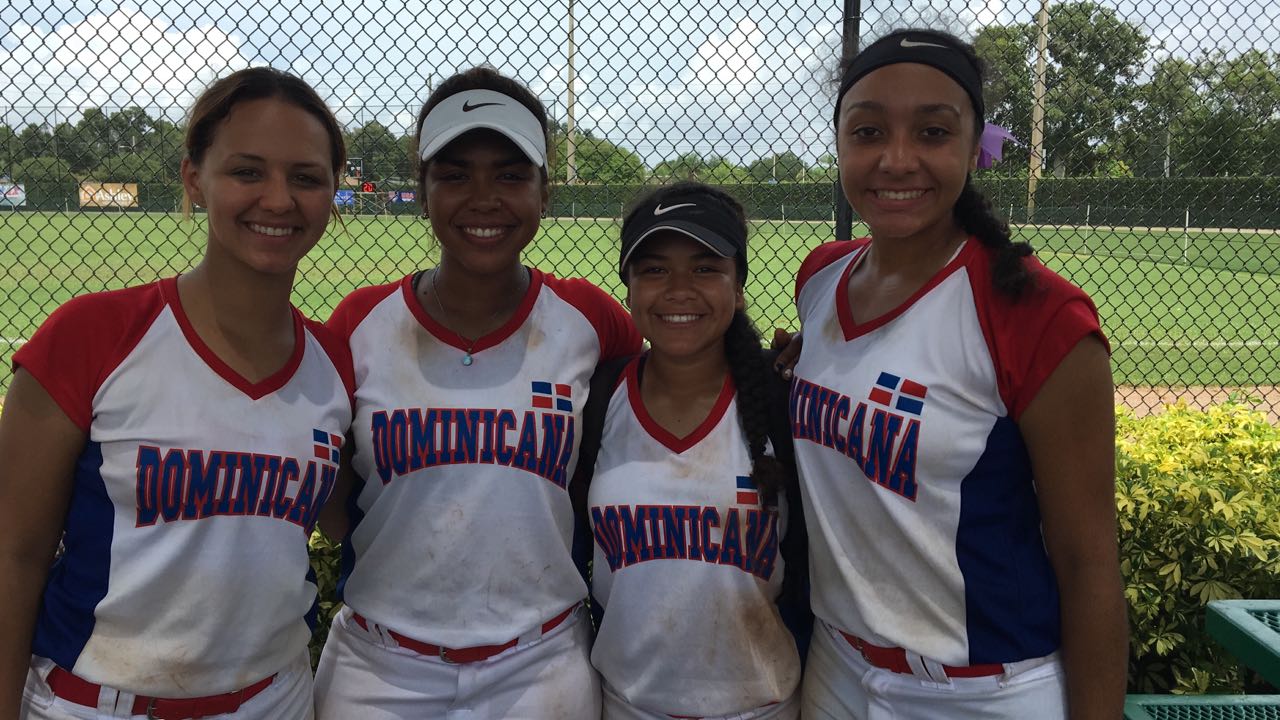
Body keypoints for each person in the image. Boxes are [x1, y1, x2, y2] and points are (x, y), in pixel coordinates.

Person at [791, 29, 1127, 720]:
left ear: (975, 146)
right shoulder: (821, 278)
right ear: (840, 142)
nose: (896, 158)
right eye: (868, 130)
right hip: (835, 669)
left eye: (933, 131)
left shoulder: (1038, 313)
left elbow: (1088, 562)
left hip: (981, 691)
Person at [0, 67, 353, 720]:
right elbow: (13, 554)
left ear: (334, 191)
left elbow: (351, 520)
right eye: (247, 171)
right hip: (96, 701)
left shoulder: (334, 362)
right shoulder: (92, 335)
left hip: (275, 699)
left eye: (306, 177)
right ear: (195, 178)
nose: (278, 199)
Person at [313, 67, 641, 719]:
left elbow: (665, 398)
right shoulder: (359, 324)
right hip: (380, 669)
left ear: (545, 192)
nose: (483, 197)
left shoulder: (591, 321)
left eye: (511, 175)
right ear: (423, 190)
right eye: (455, 174)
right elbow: (330, 497)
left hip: (540, 663)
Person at [580, 182, 805, 719]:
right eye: (654, 269)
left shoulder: (784, 404)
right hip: (628, 704)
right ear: (628, 288)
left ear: (740, 286)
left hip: (763, 705)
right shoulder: (595, 402)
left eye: (706, 268)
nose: (679, 289)